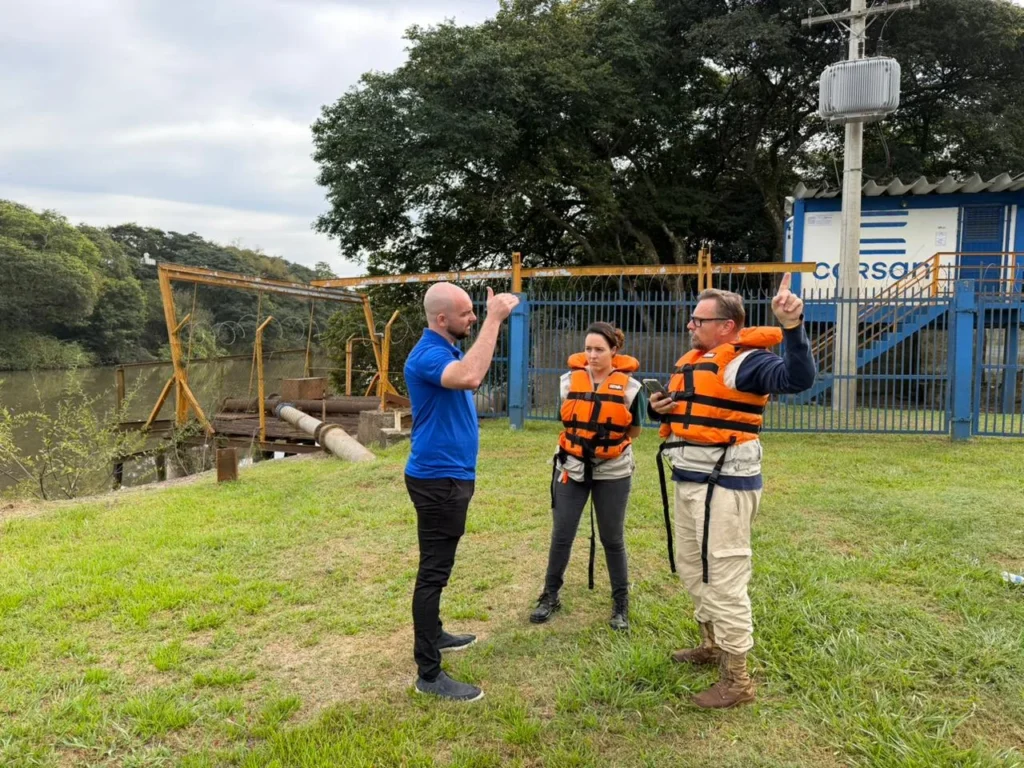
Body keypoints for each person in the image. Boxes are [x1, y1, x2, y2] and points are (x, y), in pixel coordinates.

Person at [648, 275, 815, 709]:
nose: (690, 326)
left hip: (725, 486)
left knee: (724, 576)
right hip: (689, 482)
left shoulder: (747, 362)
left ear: (727, 326)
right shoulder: (696, 360)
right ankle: (712, 643)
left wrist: (792, 326)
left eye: (698, 319)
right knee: (691, 567)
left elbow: (798, 378)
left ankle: (737, 680)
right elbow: (692, 416)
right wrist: (657, 409)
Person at [404, 281, 520, 702]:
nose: (472, 318)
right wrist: (493, 319)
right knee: (433, 573)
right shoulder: (428, 355)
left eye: (475, 311)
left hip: (450, 478)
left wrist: (485, 322)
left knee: (440, 566)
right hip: (438, 481)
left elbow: (469, 370)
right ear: (441, 319)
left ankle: (435, 634)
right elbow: (471, 376)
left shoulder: (449, 349)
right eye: (467, 313)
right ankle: (428, 674)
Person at [530, 322, 642, 631]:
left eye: (599, 350)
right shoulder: (569, 383)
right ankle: (549, 596)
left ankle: (621, 604)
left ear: (614, 351)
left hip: (613, 469)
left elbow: (634, 429)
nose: (592, 355)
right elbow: (564, 420)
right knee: (562, 534)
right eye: (588, 349)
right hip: (571, 466)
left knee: (612, 538)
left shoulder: (630, 388)